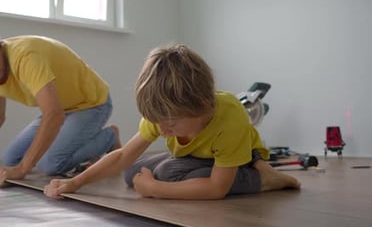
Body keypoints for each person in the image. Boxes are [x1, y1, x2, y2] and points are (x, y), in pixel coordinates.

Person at [44, 43, 300, 200]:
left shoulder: (230, 117)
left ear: (203, 106)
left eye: (171, 124)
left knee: (166, 174)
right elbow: (124, 156)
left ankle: (266, 179)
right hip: (199, 156)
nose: (164, 132)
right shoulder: (164, 112)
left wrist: (155, 189)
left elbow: (216, 189)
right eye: (158, 123)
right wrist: (75, 182)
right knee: (132, 172)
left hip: (241, 157)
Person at [0, 23, 121, 187]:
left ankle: (109, 137)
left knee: (50, 164)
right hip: (60, 108)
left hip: (91, 103)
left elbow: (54, 115)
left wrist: (22, 169)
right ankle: (81, 149)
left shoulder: (26, 56)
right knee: (10, 159)